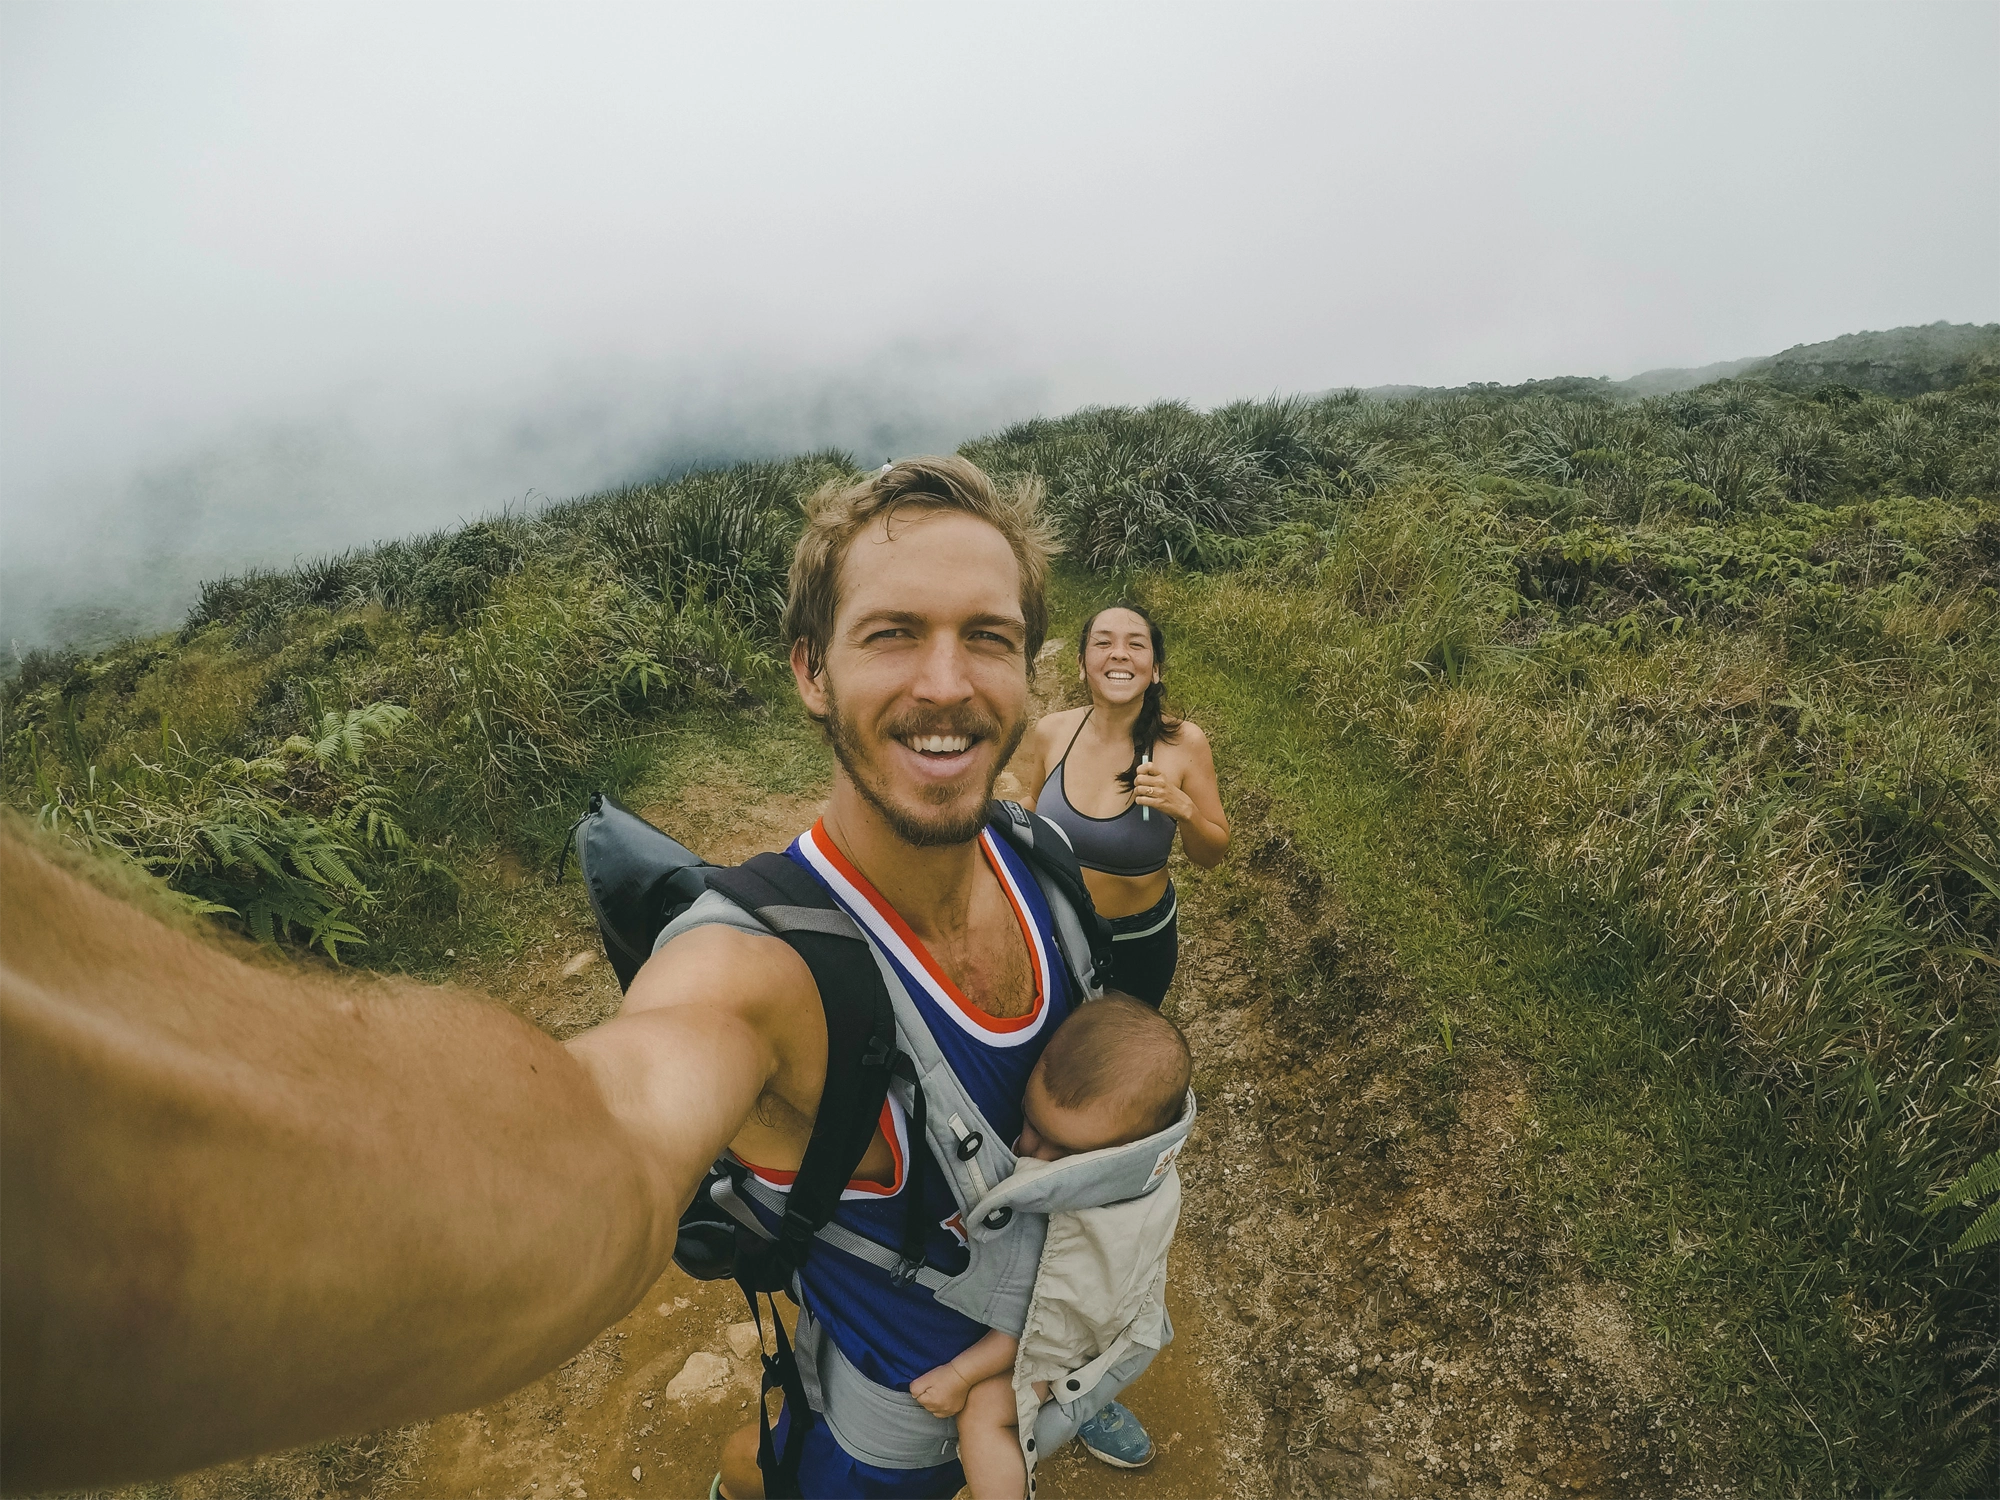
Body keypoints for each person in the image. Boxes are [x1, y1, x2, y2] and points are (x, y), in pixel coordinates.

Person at [0, 456, 1154, 1496]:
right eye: (891, 632)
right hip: (883, 1457)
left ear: (1027, 666)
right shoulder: (760, 972)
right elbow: (607, 1125)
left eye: (986, 637)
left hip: (1043, 1361)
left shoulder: (1035, 859)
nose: (946, 682)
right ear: (810, 670)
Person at [908, 995, 1190, 1500]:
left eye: (1063, 1155)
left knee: (986, 1415)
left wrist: (959, 1373)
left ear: (1119, 1157)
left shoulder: (1079, 1234)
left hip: (1088, 1336)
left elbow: (1035, 1326)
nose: (1031, 1152)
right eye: (1032, 1125)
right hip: (1123, 1310)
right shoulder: (1147, 1169)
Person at [1014, 604, 1230, 1007]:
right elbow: (1035, 799)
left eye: (1135, 644)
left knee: (1116, 1059)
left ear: (1156, 669)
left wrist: (1184, 808)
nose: (1118, 653)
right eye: (1103, 643)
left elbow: (1212, 854)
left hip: (1138, 944)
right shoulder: (1052, 732)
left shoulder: (1184, 743)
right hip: (1054, 930)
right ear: (1082, 664)